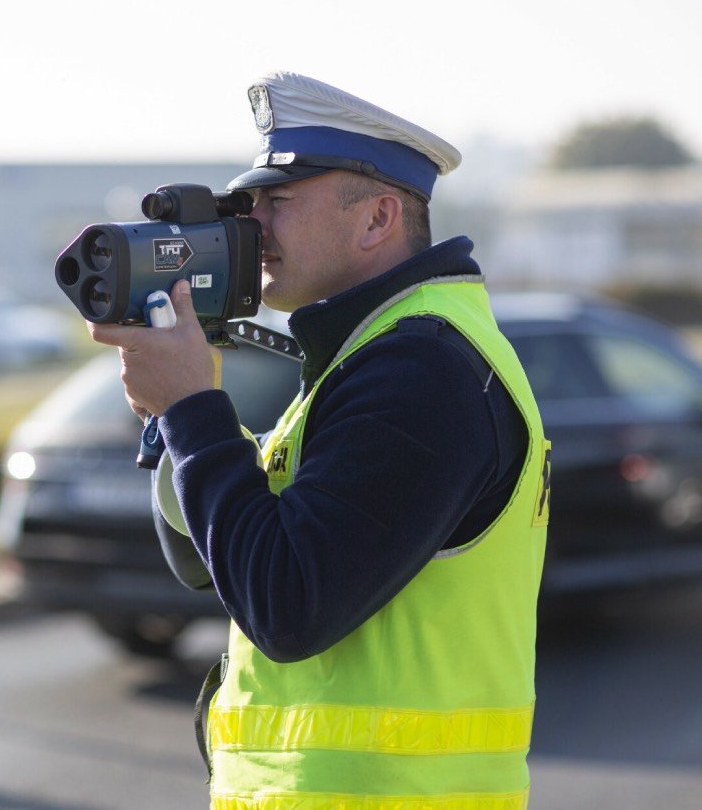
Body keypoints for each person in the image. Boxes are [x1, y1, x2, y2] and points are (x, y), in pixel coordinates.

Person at [88, 71, 550, 810]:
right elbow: (208, 565)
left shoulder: (421, 369)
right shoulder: (367, 352)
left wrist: (197, 408)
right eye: (250, 202)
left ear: (376, 219)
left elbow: (287, 603)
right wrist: (171, 417)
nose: (253, 224)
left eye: (278, 200)